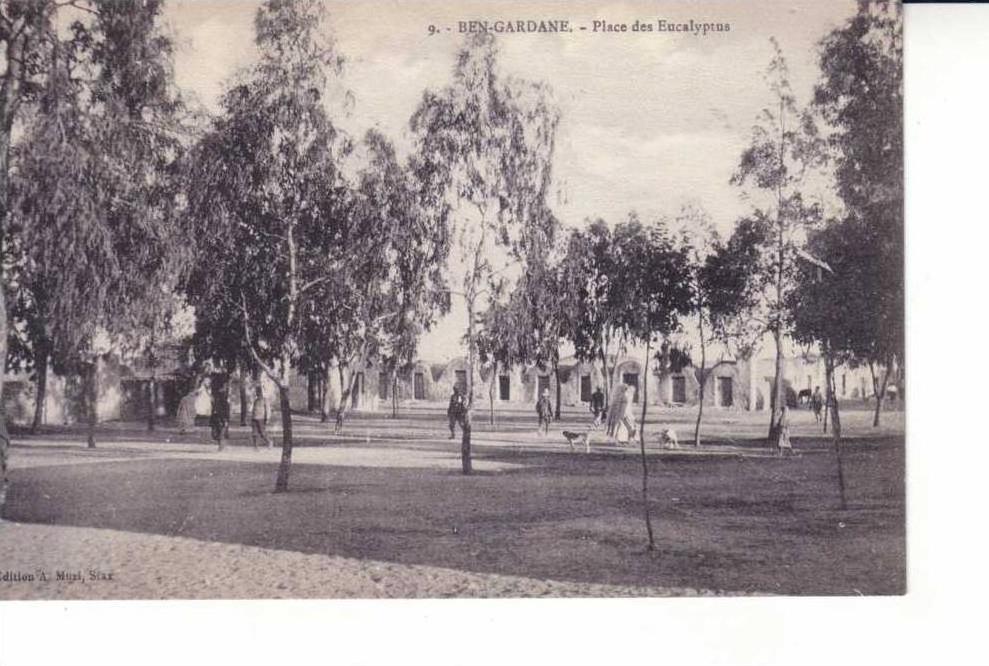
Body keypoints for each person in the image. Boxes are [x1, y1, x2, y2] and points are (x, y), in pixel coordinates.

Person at [210, 374, 230, 450]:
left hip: (220, 416)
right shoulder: (219, 396)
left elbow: (225, 407)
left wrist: (226, 419)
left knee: (220, 432)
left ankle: (221, 447)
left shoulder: (220, 396)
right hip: (218, 416)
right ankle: (222, 445)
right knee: (217, 432)